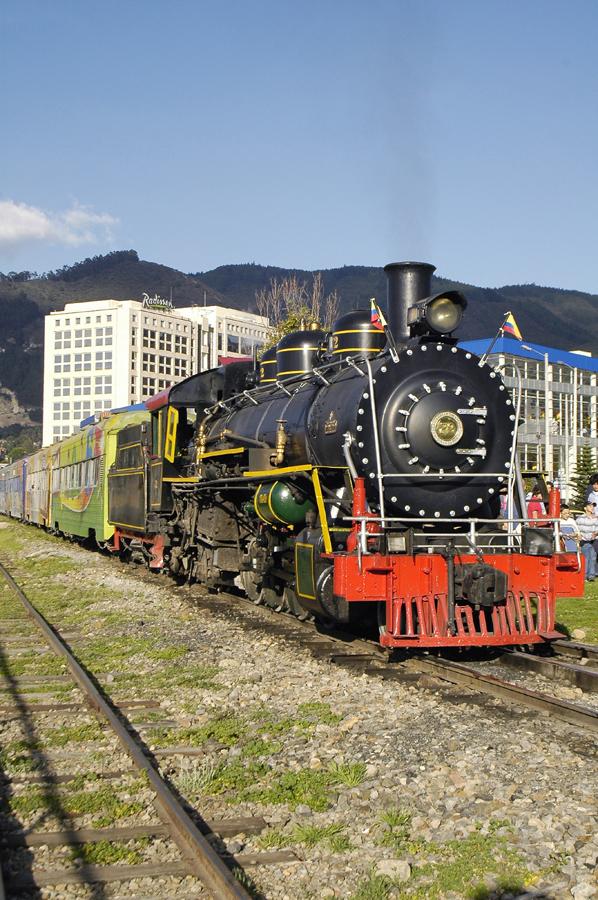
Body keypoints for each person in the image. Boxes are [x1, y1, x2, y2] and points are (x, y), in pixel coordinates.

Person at [576, 502, 598, 582]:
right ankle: (584, 576)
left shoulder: (596, 518)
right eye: (590, 506)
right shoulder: (580, 519)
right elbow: (577, 530)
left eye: (593, 506)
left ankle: (591, 576)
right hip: (584, 541)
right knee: (586, 558)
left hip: (594, 541)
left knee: (593, 558)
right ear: (585, 508)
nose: (592, 507)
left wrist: (596, 533)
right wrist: (579, 537)